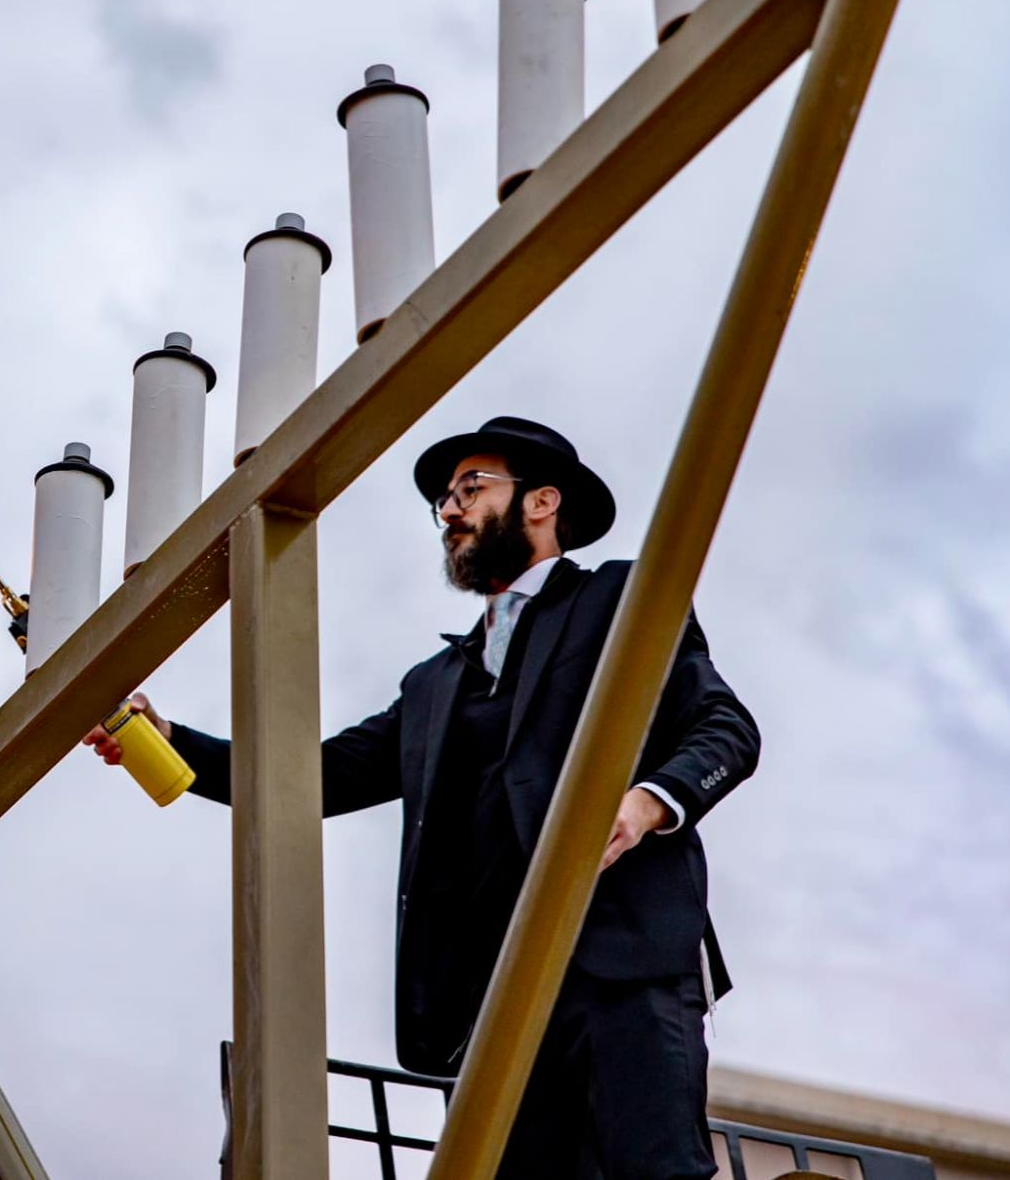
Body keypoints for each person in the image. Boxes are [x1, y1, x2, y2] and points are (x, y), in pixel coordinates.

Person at [84, 416, 759, 1179]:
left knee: (655, 1173)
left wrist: (645, 803)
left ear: (542, 502)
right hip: (493, 1001)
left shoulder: (620, 596)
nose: (447, 509)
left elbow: (723, 726)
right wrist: (166, 736)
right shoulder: (431, 685)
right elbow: (312, 778)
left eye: (470, 487)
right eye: (443, 496)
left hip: (620, 964)